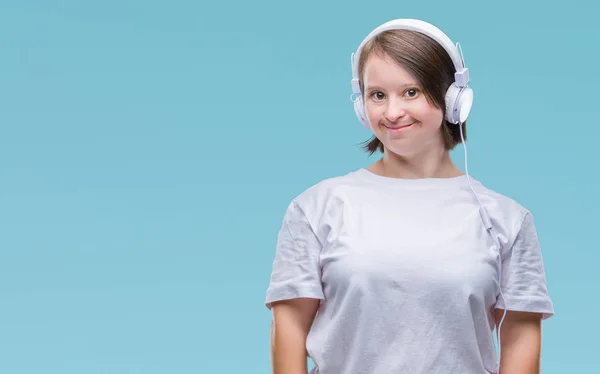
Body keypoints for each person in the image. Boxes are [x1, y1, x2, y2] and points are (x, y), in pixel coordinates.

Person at [264, 19, 554, 374]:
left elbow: (521, 336)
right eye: (378, 95)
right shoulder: (315, 208)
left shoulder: (507, 219)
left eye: (411, 92)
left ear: (453, 98)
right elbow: (289, 328)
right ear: (361, 104)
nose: (392, 112)